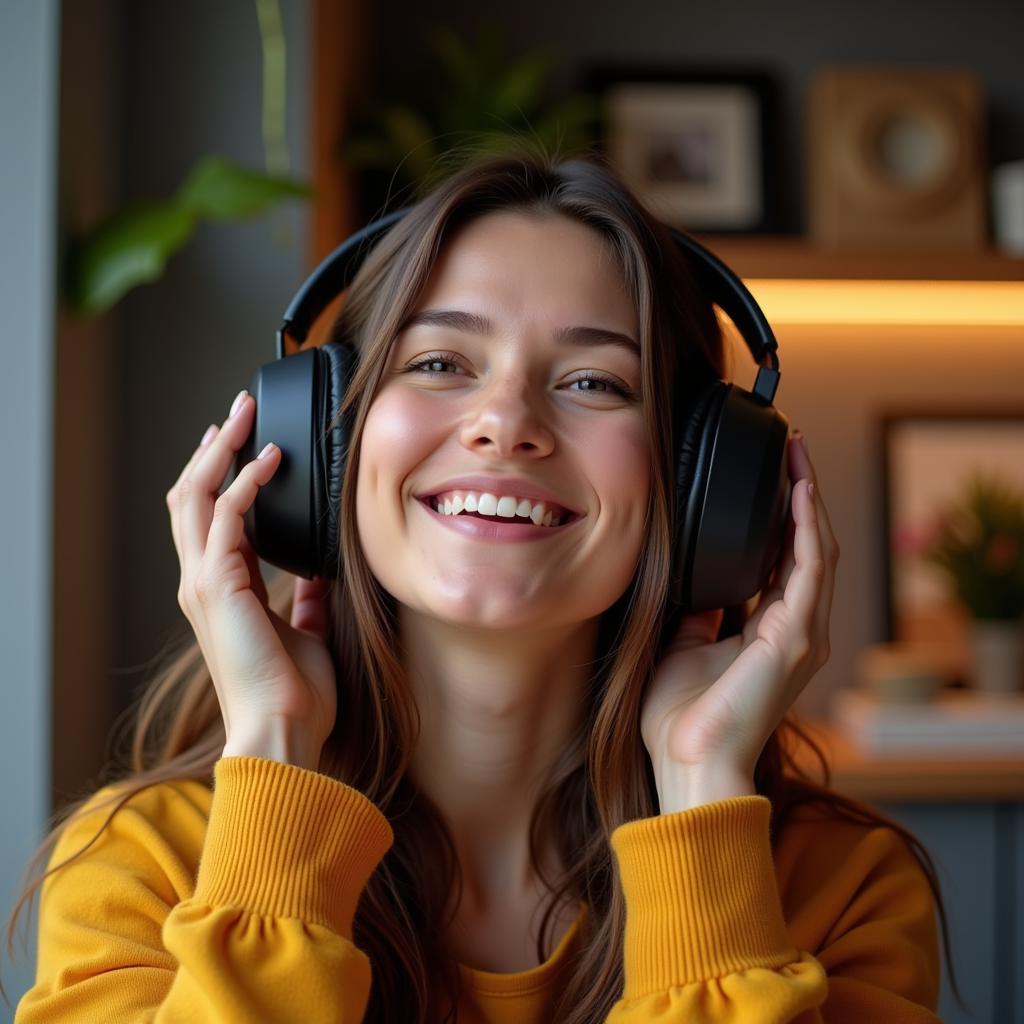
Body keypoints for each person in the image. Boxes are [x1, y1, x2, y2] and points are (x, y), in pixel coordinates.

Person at [8, 150, 954, 1023]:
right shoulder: (142, 870)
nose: (506, 422)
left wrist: (704, 790)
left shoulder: (839, 892)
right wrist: (278, 755)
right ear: (316, 441)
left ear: (705, 480)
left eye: (594, 383)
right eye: (438, 364)